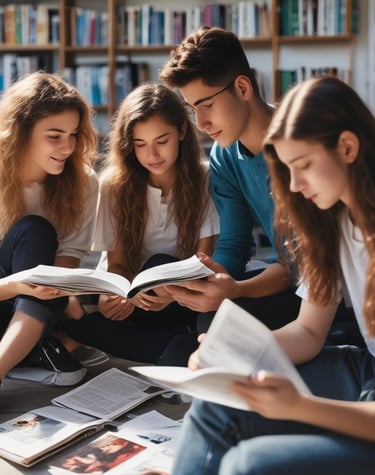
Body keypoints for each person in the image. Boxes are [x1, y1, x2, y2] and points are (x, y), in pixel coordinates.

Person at [169, 76, 375, 475]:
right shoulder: (332, 223)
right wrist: (235, 353)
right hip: (366, 368)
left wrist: (300, 407)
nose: (295, 186)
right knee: (219, 399)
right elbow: (309, 332)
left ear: (348, 147)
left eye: (303, 166)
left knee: (247, 465)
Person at [159, 25, 361, 345]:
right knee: (209, 321)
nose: (201, 124)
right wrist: (212, 282)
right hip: (302, 279)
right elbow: (234, 247)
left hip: (334, 286)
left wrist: (237, 290)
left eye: (207, 105)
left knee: (216, 331)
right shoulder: (224, 158)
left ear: (242, 88)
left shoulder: (307, 145)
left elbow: (313, 259)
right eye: (192, 109)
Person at [60, 82, 219, 365]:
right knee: (87, 304)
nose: (152, 155)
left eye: (162, 141)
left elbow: (204, 259)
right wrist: (120, 294)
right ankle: (171, 345)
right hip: (131, 294)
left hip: (184, 295)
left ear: (182, 131)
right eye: (140, 144)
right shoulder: (114, 184)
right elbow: (117, 263)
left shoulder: (204, 177)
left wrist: (172, 294)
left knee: (159, 264)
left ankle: (119, 339)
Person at [0, 71, 99, 386]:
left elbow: (68, 258)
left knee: (58, 282)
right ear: (21, 131)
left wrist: (56, 289)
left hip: (34, 305)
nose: (68, 147)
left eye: (73, 134)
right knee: (34, 230)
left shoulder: (83, 182)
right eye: (54, 135)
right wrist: (17, 285)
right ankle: (30, 353)